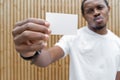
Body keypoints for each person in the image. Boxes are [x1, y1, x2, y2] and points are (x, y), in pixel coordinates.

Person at [12, 0, 120, 80]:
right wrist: (31, 52)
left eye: (100, 7)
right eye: (90, 11)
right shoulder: (73, 37)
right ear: (84, 16)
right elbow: (47, 58)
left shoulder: (117, 42)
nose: (96, 12)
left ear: (108, 10)